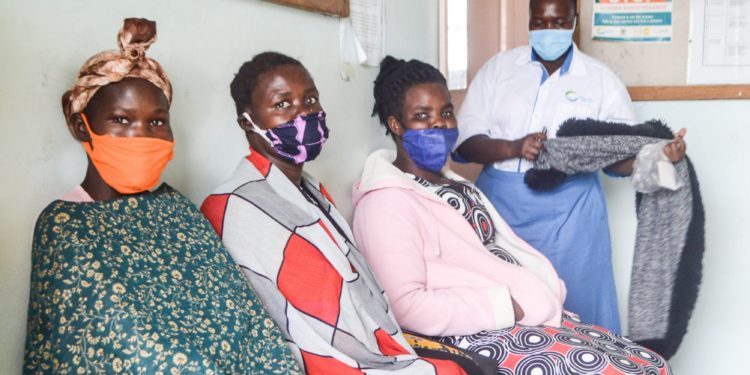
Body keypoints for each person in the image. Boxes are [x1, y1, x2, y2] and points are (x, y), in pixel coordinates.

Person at [352, 55, 673, 374]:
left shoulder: (455, 184)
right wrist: (507, 306)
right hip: (476, 334)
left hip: (521, 316)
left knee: (651, 364)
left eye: (446, 112)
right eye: (422, 115)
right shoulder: (385, 203)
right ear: (396, 125)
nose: (439, 123)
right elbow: (405, 305)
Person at [24, 19, 301, 374]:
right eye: (121, 120)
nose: (142, 136)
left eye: (156, 123)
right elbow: (125, 342)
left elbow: (243, 316)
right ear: (82, 126)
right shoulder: (64, 226)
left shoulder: (178, 209)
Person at [200, 52, 469, 375]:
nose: (303, 113)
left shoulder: (311, 191)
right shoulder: (232, 204)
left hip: (381, 343)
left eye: (310, 99)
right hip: (330, 361)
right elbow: (290, 319)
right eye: (283, 104)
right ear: (247, 121)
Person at [453, 0, 686, 333]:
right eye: (540, 22)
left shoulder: (602, 80)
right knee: (505, 311)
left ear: (575, 21)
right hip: (499, 209)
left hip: (572, 216)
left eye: (559, 22)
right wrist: (514, 146)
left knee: (578, 311)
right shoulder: (498, 70)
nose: (549, 31)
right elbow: (464, 142)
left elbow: (616, 159)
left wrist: (660, 157)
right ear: (529, 20)